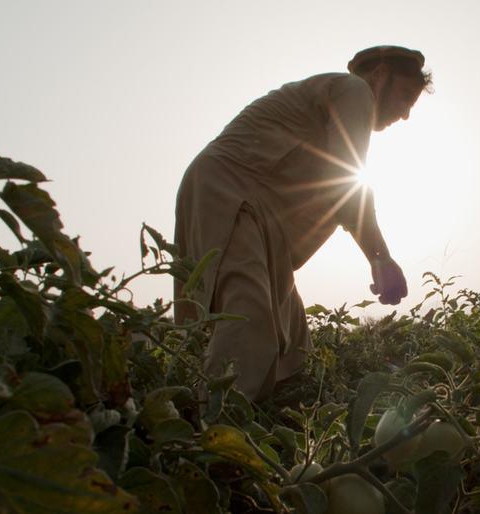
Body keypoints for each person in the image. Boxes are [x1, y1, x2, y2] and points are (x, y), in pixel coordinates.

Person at [174, 46, 432, 401]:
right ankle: (211, 436)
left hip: (260, 214)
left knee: (294, 345)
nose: (404, 114)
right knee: (249, 320)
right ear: (380, 74)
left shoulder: (343, 103)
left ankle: (256, 421)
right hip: (230, 191)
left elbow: (340, 189)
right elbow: (346, 181)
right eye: (405, 96)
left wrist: (377, 255)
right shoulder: (355, 91)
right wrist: (380, 258)